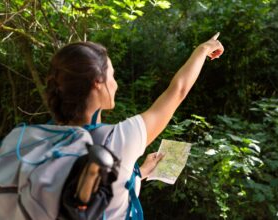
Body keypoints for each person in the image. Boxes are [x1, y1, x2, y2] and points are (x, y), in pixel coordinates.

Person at [46, 32, 224, 219]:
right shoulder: (118, 140)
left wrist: (141, 171)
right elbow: (178, 90)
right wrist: (203, 49)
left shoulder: (40, 142)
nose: (115, 85)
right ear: (97, 83)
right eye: (112, 76)